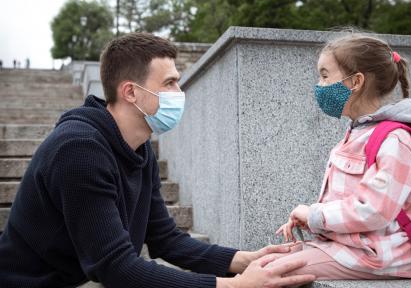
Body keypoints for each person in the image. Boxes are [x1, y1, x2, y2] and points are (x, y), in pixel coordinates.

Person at [0, 33, 315, 288]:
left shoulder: (139, 147)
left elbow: (165, 239)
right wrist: (234, 286)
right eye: (169, 83)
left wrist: (246, 260)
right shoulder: (79, 150)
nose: (179, 92)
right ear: (131, 93)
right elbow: (116, 267)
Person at [270, 32, 411, 281]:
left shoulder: (395, 140)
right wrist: (312, 221)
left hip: (377, 255)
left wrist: (315, 214)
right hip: (352, 248)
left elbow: (374, 210)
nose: (319, 85)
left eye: (325, 75)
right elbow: (349, 199)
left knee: (269, 271)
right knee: (262, 261)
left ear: (356, 81)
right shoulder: (357, 133)